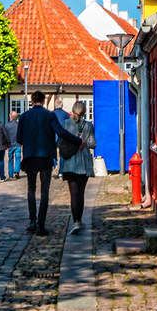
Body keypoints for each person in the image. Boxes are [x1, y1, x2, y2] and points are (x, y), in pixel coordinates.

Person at [16, 92, 86, 236]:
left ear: (32, 101)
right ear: (43, 101)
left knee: (31, 190)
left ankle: (32, 222)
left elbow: (19, 139)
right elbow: (60, 132)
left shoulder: (23, 117)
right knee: (44, 192)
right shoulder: (49, 116)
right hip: (46, 157)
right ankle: (41, 225)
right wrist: (78, 140)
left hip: (30, 157)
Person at [60, 99, 97, 234]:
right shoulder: (88, 125)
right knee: (81, 193)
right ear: (84, 111)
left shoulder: (65, 124)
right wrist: (84, 142)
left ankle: (75, 221)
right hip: (84, 163)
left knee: (73, 194)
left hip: (70, 163)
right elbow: (93, 144)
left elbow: (60, 142)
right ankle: (79, 220)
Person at [6, 110, 22, 179]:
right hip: (18, 144)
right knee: (18, 158)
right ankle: (16, 171)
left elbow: (5, 135)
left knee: (10, 159)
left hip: (10, 145)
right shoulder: (19, 125)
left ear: (10, 117)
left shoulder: (7, 125)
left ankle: (10, 174)